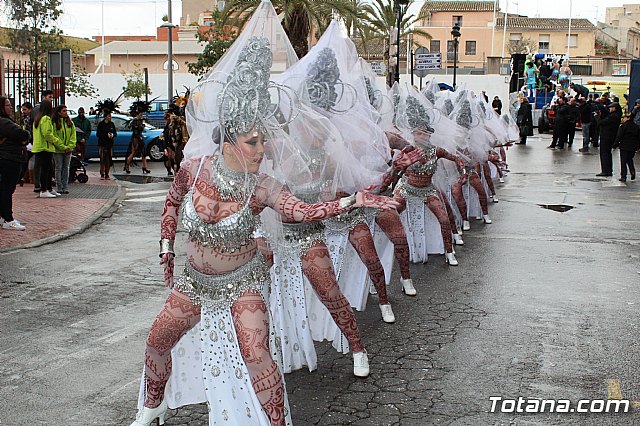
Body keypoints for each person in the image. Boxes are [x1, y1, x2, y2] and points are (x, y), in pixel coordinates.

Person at [128, 5, 400, 426]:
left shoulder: (265, 185)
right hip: (195, 282)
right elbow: (171, 203)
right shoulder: (193, 169)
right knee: (156, 341)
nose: (263, 149)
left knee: (261, 350)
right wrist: (166, 246)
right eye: (253, 142)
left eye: (263, 140)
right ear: (230, 139)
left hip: (244, 280)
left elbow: (303, 211)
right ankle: (153, 403)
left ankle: (343, 358)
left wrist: (354, 201)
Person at [0, 96, 30, 230]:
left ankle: (3, 216)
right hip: (9, 159)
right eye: (7, 106)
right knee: (7, 189)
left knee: (5, 189)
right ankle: (8, 219)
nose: (10, 108)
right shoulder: (3, 122)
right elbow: (23, 135)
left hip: (9, 157)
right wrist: (23, 137)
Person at [32, 100, 64, 198]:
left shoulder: (37, 119)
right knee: (46, 169)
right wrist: (56, 141)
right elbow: (47, 134)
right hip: (45, 147)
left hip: (39, 146)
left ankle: (48, 188)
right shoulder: (45, 119)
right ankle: (44, 190)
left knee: (48, 168)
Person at [51, 105, 76, 194]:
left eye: (66, 110)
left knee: (66, 168)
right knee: (58, 168)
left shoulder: (70, 123)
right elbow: (54, 136)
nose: (66, 112)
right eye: (64, 111)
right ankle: (59, 186)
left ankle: (65, 186)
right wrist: (62, 147)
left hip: (68, 150)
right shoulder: (55, 123)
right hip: (58, 150)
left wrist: (70, 146)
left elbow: (73, 136)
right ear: (59, 112)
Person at [596, 102, 622, 177]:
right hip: (610, 136)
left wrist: (597, 117)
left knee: (604, 153)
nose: (609, 109)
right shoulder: (616, 115)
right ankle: (608, 170)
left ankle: (605, 170)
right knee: (607, 153)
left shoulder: (613, 116)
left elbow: (601, 122)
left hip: (607, 136)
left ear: (614, 108)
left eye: (611, 107)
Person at [125, 103, 151, 174]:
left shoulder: (140, 121)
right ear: (137, 114)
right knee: (134, 152)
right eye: (140, 115)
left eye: (141, 115)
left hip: (139, 136)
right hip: (135, 138)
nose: (141, 116)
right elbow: (136, 129)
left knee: (143, 153)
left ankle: (145, 167)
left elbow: (141, 129)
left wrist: (141, 126)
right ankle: (127, 165)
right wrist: (141, 126)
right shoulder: (134, 121)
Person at [613, 113, 639, 182]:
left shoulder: (623, 126)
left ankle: (623, 176)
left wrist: (615, 144)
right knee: (630, 159)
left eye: (624, 117)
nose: (623, 119)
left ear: (628, 118)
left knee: (623, 161)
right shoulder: (636, 127)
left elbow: (619, 136)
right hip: (633, 147)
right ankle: (632, 171)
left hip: (624, 146)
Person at [97, 111, 116, 180]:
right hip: (102, 144)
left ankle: (107, 173)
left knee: (108, 159)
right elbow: (98, 134)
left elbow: (115, 133)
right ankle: (102, 173)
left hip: (109, 144)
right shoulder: (101, 124)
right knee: (102, 159)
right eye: (109, 116)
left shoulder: (112, 124)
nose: (110, 117)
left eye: (110, 116)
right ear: (105, 117)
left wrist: (112, 135)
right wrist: (106, 135)